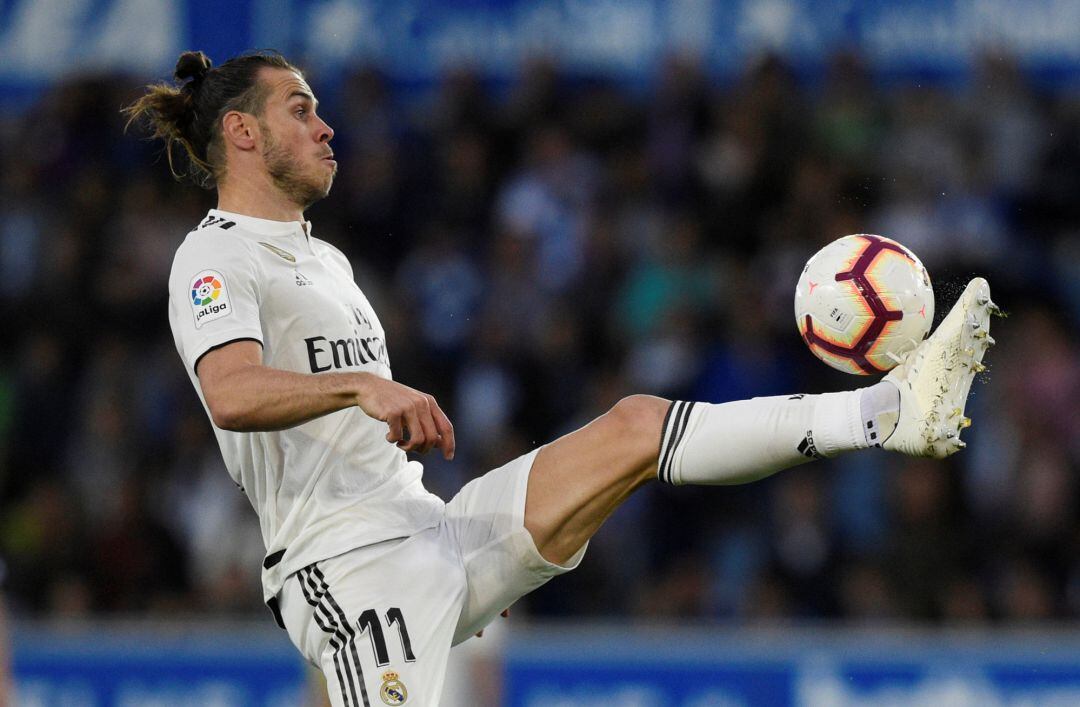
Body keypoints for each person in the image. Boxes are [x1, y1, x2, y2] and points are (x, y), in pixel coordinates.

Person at [125, 50, 997, 706]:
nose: (324, 126)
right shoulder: (213, 256)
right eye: (300, 108)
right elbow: (232, 392)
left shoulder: (327, 261)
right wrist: (361, 386)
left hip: (433, 532)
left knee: (634, 424)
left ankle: (889, 410)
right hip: (346, 571)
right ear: (241, 132)